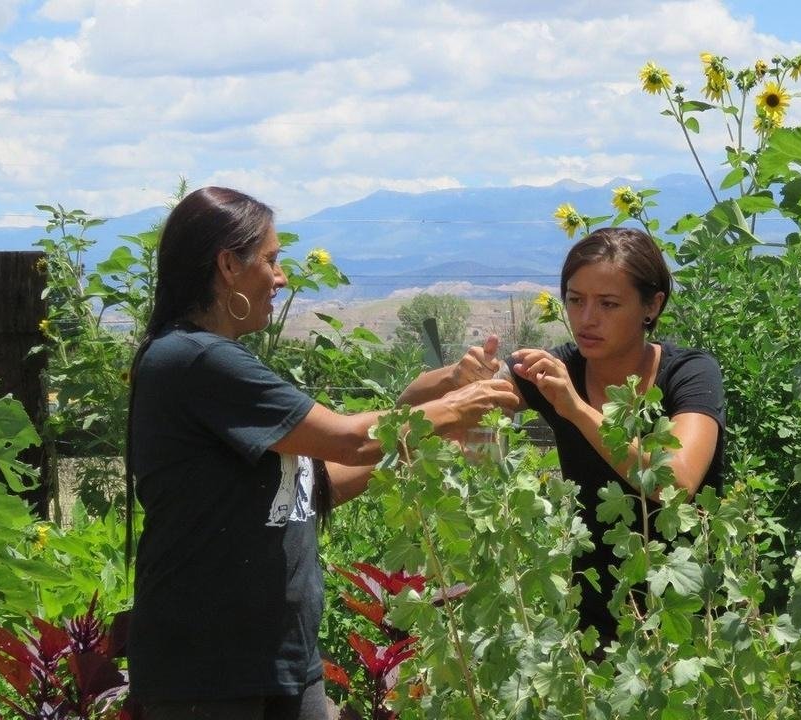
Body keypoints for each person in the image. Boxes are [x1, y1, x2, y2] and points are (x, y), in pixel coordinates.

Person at [124, 186, 519, 720]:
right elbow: (351, 438)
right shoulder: (195, 359)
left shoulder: (214, 360)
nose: (281, 278)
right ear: (227, 265)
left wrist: (437, 402)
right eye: (270, 259)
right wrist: (460, 405)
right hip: (208, 670)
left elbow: (314, 484)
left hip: (280, 658)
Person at [403, 226, 726, 642]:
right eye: (575, 301)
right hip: (595, 611)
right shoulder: (556, 370)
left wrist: (576, 409)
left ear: (652, 306)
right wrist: (453, 376)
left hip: (691, 610)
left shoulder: (691, 374)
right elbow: (406, 413)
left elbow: (675, 483)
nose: (587, 319)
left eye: (608, 304)